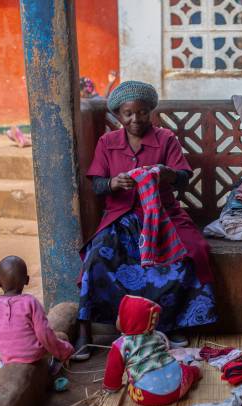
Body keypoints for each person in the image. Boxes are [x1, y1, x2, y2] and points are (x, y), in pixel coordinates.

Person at [74, 80, 217, 360]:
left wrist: (168, 175)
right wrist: (114, 182)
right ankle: (86, 331)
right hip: (122, 216)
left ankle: (171, 323)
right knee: (96, 258)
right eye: (128, 113)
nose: (135, 119)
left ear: (150, 111)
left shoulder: (166, 139)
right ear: (119, 115)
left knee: (191, 252)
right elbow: (98, 185)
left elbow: (184, 179)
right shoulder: (108, 142)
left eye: (141, 112)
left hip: (163, 214)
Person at [102, 295, 201, 406]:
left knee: (132, 385)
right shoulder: (156, 336)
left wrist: (112, 387)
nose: (117, 318)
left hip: (147, 396)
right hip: (179, 389)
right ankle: (195, 369)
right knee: (183, 370)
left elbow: (113, 372)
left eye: (120, 315)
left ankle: (189, 367)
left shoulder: (120, 345)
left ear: (128, 320)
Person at [0, 256, 74, 366]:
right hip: (32, 355)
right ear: (27, 280)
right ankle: (54, 367)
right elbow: (44, 334)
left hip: (5, 357)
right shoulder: (31, 302)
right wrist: (66, 351)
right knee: (61, 338)